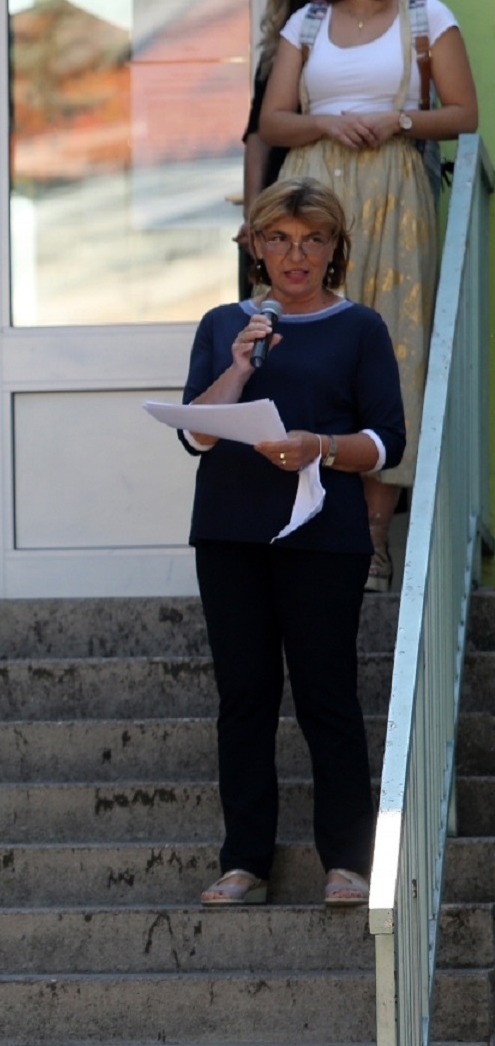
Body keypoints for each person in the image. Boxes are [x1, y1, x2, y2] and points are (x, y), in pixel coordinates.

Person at [179, 179, 405, 909]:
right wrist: (242, 363)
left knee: (326, 695)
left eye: (312, 240)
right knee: (244, 695)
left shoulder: (360, 327)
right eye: (278, 238)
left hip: (323, 535)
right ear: (254, 245)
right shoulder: (223, 324)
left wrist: (320, 447)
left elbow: (385, 440)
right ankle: (245, 861)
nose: (295, 255)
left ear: (336, 247)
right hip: (229, 530)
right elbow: (195, 431)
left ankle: (347, 861)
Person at [257, 0, 478, 591]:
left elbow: (464, 113)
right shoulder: (307, 26)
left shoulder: (424, 18)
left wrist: (398, 121)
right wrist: (326, 122)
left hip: (394, 195)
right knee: (306, 350)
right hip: (316, 196)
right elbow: (273, 121)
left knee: (393, 353)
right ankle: (304, 518)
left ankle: (374, 540)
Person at [239, 0, 318, 299]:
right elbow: (258, 133)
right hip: (278, 196)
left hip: (325, 195)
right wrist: (253, 213)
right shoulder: (283, 33)